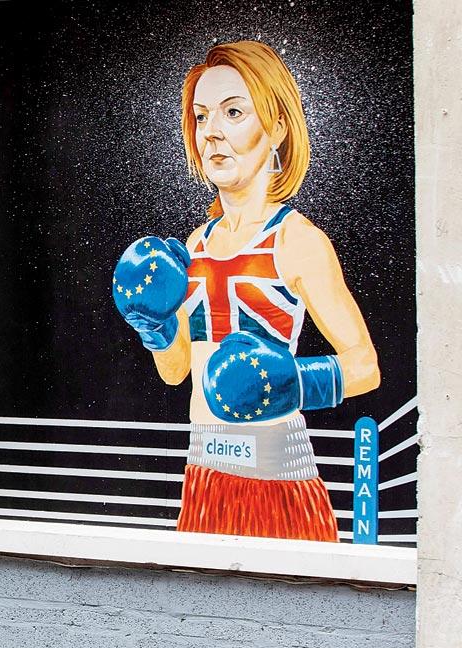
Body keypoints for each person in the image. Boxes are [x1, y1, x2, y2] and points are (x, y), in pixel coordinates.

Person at [112, 41, 380, 541]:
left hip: (278, 476)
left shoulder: (297, 241)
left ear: (276, 125)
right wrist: (152, 324)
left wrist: (293, 382)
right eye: (200, 116)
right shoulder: (192, 246)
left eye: (233, 112)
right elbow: (175, 372)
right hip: (204, 473)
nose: (211, 132)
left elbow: (365, 366)